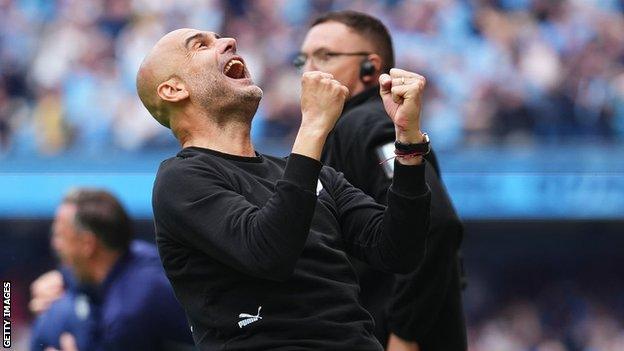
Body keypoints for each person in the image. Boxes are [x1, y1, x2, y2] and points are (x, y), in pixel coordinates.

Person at [136, 28, 432, 350]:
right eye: (201, 46)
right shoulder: (180, 179)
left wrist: (407, 143)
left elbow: (399, 250)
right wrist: (314, 125)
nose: (229, 42)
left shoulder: (309, 173)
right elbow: (269, 253)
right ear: (173, 89)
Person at [297, 11, 467, 351]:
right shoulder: (340, 128)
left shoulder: (368, 126)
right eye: (303, 59)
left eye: (325, 56)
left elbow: (436, 223)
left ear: (370, 68)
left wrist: (405, 333)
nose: (309, 70)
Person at [30, 188, 194, 351]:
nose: (55, 244)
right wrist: (63, 279)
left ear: (88, 244)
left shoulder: (126, 315)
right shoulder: (138, 254)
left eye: (60, 235)